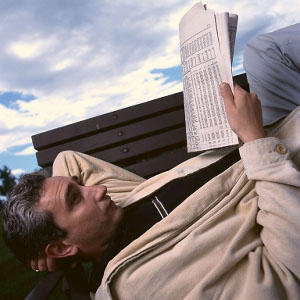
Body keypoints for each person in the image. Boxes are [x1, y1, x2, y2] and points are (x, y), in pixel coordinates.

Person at [2, 24, 300, 300]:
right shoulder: (138, 283)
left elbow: (68, 161)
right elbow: (284, 273)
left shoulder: (117, 211)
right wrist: (253, 139)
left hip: (267, 143)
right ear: (63, 246)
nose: (99, 190)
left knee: (264, 52)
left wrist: (55, 254)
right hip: (281, 169)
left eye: (79, 187)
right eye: (75, 198)